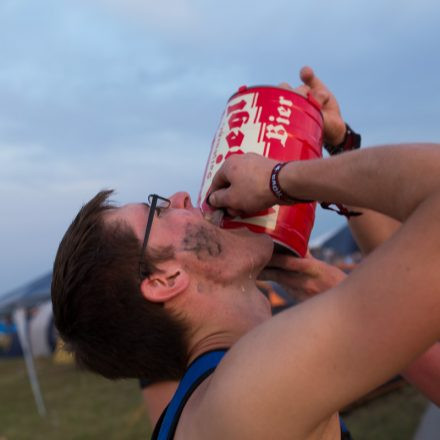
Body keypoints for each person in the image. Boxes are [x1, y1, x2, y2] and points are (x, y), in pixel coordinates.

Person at [51, 67, 440, 439]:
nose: (183, 196)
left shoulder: (220, 396)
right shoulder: (249, 392)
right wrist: (280, 178)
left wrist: (339, 147)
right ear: (163, 280)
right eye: (158, 209)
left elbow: (415, 257)